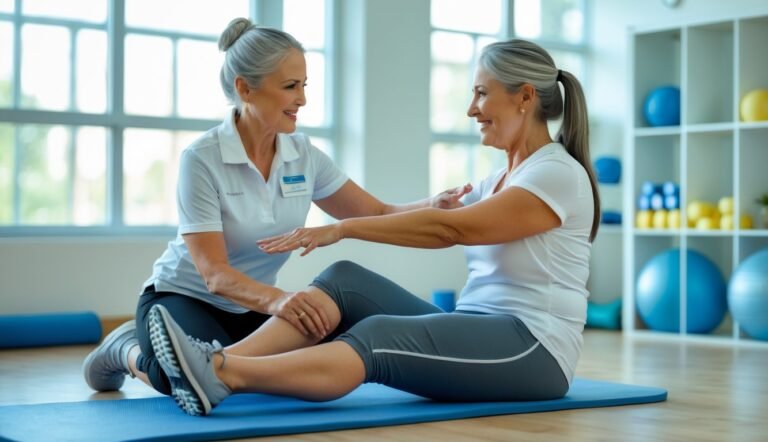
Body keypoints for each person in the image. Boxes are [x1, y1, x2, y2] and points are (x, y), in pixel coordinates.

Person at [146, 38, 601, 417]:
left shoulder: (555, 174)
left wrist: (343, 229)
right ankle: (209, 366)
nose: (470, 109)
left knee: (379, 334)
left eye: (482, 94)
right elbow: (426, 217)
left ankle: (225, 372)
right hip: (479, 325)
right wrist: (427, 205)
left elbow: (449, 231)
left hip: (532, 350)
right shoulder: (498, 179)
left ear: (524, 97)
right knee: (344, 279)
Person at [82, 17, 471, 395]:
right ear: (245, 88)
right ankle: (124, 348)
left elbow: (377, 213)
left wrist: (431, 205)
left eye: (303, 85)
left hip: (253, 307)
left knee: (248, 368)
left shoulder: (303, 155)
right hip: (183, 299)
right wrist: (281, 301)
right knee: (181, 376)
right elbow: (215, 274)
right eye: (290, 86)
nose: (302, 99)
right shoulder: (202, 159)